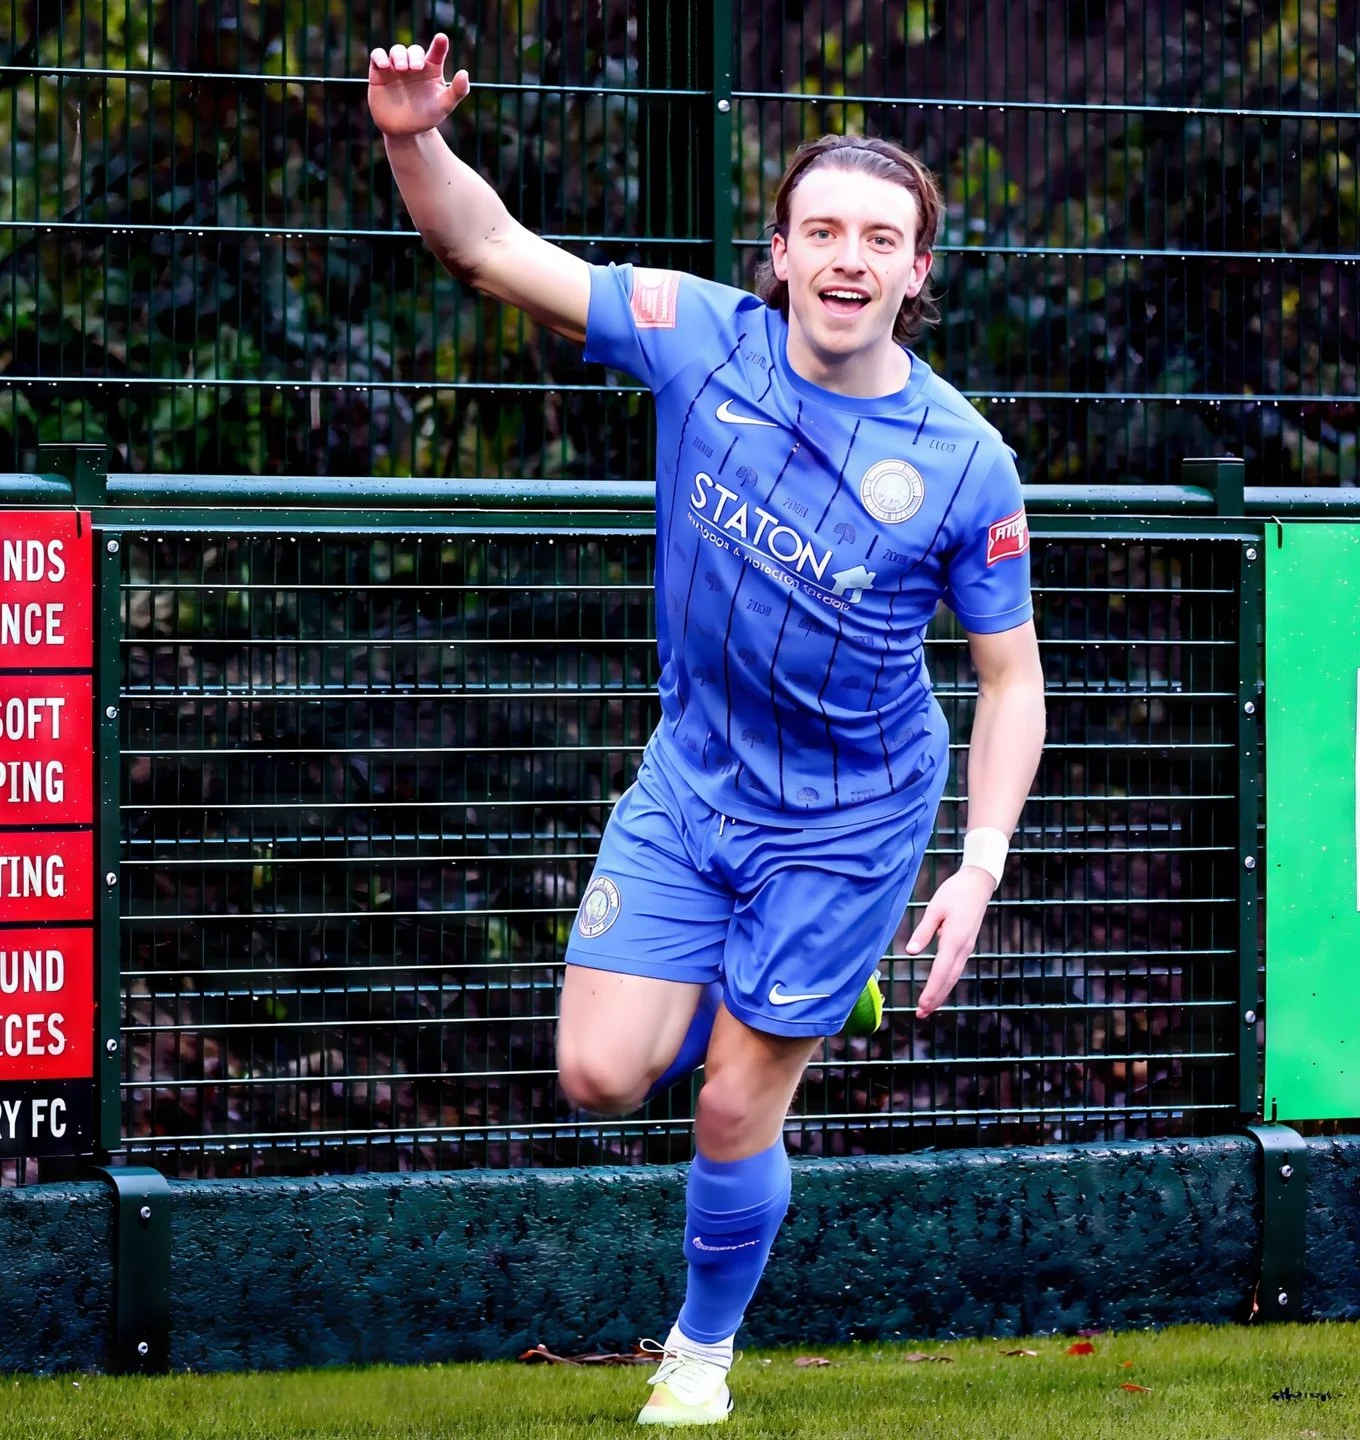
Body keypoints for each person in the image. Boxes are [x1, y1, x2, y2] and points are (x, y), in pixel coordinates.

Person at [369, 34, 1045, 1426]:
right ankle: (779, 990)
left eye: (883, 238)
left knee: (735, 1107)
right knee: (596, 1073)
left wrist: (975, 864)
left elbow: (1012, 675)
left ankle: (700, 1352)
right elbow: (490, 248)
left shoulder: (967, 460)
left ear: (920, 272)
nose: (849, 258)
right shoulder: (696, 340)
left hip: (852, 818)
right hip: (695, 782)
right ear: (781, 256)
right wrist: (410, 138)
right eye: (823, 232)